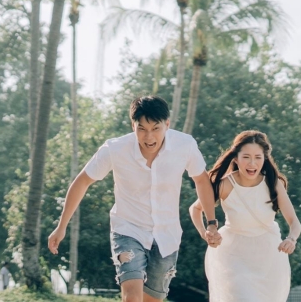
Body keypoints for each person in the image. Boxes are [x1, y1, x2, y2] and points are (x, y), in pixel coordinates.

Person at [49, 95, 221, 302]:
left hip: (167, 235)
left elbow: (202, 181)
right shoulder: (115, 149)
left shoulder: (184, 145)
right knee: (131, 297)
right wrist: (61, 226)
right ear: (133, 125)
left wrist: (211, 222)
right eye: (142, 129)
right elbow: (82, 182)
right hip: (127, 229)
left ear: (167, 124)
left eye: (156, 128)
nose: (149, 137)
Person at [190, 130, 301, 302]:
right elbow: (195, 209)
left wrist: (291, 239)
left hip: (268, 256)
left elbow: (295, 222)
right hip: (233, 255)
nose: (252, 163)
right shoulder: (225, 184)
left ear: (264, 159)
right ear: (235, 158)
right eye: (246, 157)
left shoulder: (273, 184)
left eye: (258, 157)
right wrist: (205, 233)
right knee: (242, 296)